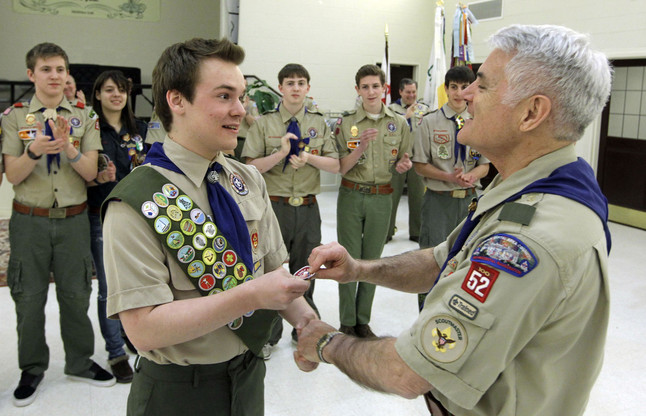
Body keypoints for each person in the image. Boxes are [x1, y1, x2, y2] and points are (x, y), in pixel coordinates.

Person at [296, 24, 612, 416]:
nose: (464, 97)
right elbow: (441, 260)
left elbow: (408, 371)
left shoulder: (531, 239)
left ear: (531, 112)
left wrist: (326, 343)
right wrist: (359, 268)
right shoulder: (521, 188)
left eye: (482, 86)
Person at [102, 38, 317, 415]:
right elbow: (144, 329)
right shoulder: (135, 201)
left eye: (242, 96)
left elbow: (271, 271)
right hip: (180, 392)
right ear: (177, 100)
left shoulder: (248, 178)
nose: (241, 110)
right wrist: (252, 296)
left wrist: (308, 323)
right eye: (224, 96)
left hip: (249, 377)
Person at [1, 42, 116, 408]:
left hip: (73, 220)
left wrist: (68, 148)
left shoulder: (85, 116)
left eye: (60, 70)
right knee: (29, 298)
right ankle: (32, 368)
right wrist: (35, 150)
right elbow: (12, 175)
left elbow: (89, 172)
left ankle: (80, 362)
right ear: (31, 74)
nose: (55, 76)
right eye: (47, 69)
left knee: (76, 294)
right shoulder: (15, 117)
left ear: (67, 75)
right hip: (29, 220)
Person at [243, 63, 339, 354]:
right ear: (280, 88)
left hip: (308, 208)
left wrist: (309, 158)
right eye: (290, 83)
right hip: (274, 207)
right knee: (271, 270)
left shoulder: (319, 123)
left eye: (301, 83)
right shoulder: (264, 123)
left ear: (308, 88)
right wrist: (281, 154)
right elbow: (249, 166)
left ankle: (305, 328)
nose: (296, 88)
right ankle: (269, 333)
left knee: (307, 268)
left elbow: (334, 164)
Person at [332, 64, 413, 338]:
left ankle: (362, 319)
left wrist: (404, 164)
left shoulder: (399, 123)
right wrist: (361, 146)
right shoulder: (346, 123)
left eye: (375, 86)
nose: (370, 91)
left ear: (384, 89)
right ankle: (346, 320)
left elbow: (404, 157)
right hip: (352, 195)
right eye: (364, 87)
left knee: (373, 261)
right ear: (357, 90)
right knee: (348, 258)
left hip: (381, 198)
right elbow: (341, 166)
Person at [87, 70, 149, 383]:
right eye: (109, 90)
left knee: (136, 282)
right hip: (102, 215)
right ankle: (115, 352)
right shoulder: (89, 128)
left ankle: (131, 335)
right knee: (109, 288)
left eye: (122, 90)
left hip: (138, 218)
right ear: (97, 94)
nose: (116, 95)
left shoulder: (139, 128)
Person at [413, 66, 490, 308]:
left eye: (463, 87)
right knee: (431, 261)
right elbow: (420, 165)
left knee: (467, 259)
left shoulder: (480, 122)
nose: (458, 93)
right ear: (445, 89)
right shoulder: (429, 122)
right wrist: (449, 176)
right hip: (439, 201)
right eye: (453, 87)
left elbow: (485, 165)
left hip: (470, 202)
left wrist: (470, 176)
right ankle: (425, 315)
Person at [387, 78, 428, 243]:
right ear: (400, 92)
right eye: (408, 92)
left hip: (417, 159)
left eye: (414, 92)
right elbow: (389, 129)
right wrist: (406, 116)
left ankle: (417, 232)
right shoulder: (391, 109)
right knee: (391, 197)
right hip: (396, 160)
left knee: (418, 197)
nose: (411, 95)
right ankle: (387, 232)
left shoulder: (424, 109)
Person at [234, 79, 260, 161]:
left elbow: (255, 124)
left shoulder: (251, 104)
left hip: (242, 140)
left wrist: (245, 111)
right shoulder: (229, 102)